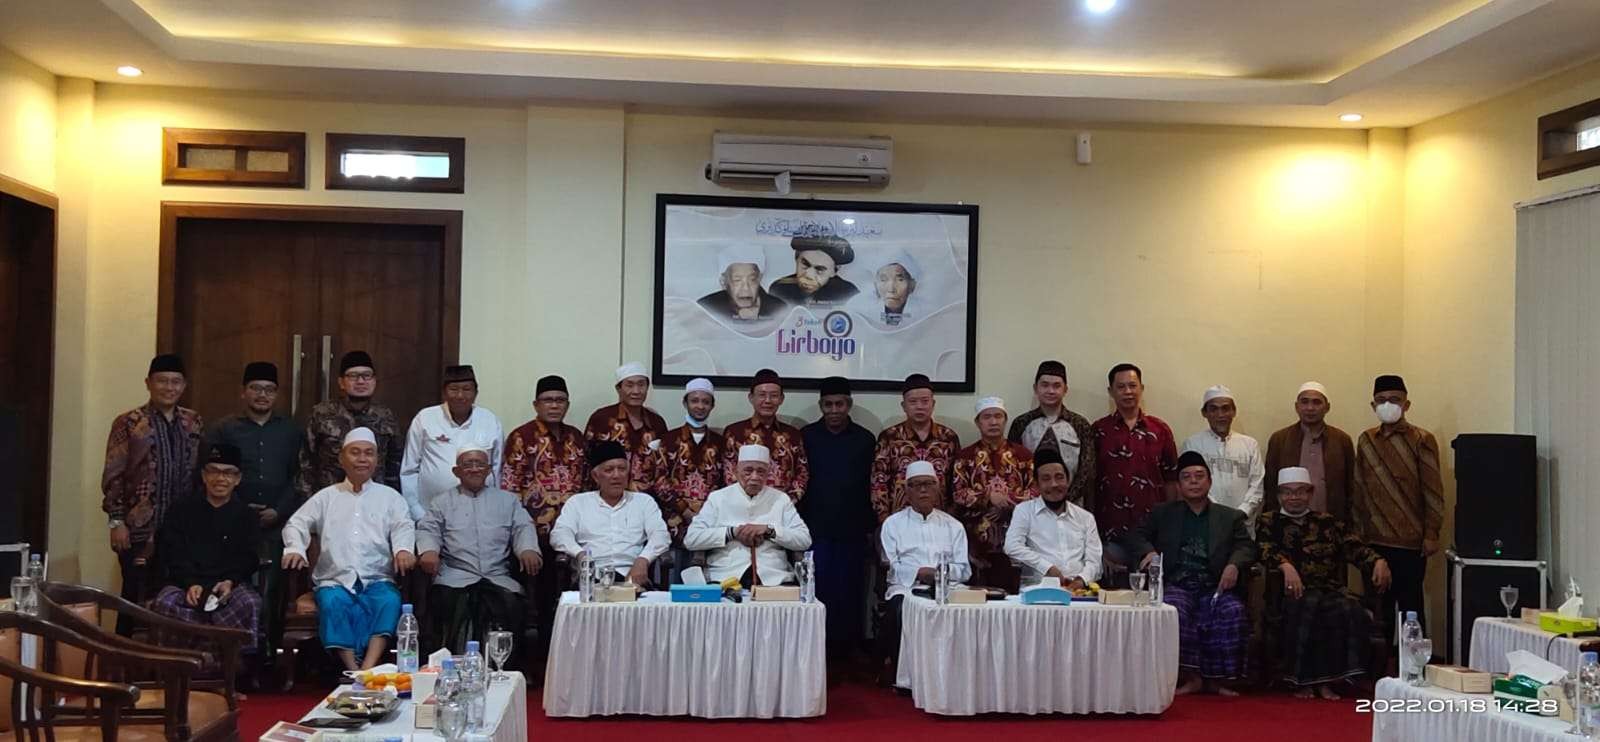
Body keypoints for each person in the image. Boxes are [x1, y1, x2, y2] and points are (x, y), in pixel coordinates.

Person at [1120, 451, 1256, 696]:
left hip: (1214, 585)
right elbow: (1136, 536)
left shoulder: (1229, 516)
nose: (1193, 481)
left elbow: (1245, 546)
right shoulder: (1163, 513)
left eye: (1199, 476)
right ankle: (1189, 677)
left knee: (1231, 610)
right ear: (1179, 485)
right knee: (1173, 609)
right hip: (1177, 583)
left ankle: (1218, 680)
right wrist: (1148, 552)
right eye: (1187, 477)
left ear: (1210, 481)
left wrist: (1234, 564)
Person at [282, 427, 417, 671]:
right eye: (355, 453)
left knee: (389, 600)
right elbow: (297, 523)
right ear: (342, 459)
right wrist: (295, 549)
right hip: (334, 580)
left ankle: (367, 667)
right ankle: (351, 670)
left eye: (369, 453)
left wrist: (403, 550)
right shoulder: (326, 497)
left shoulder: (390, 497)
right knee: (333, 602)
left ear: (376, 460)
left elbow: (403, 526)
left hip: (377, 579)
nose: (362, 459)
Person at [1257, 467, 1392, 700]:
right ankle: (1302, 682)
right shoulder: (1269, 521)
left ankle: (1332, 680)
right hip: (1291, 594)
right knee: (1309, 606)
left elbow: (1355, 547)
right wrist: (1285, 565)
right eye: (1287, 493)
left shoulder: (1327, 522)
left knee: (1348, 609)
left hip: (1329, 591)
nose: (1294, 497)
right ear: (1279, 496)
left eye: (1300, 491)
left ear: (1310, 493)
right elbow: (1263, 549)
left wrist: (1378, 560)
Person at [102, 353, 205, 635]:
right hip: (137, 527)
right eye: (162, 381)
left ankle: (165, 664)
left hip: (181, 528)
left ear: (184, 386)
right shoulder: (129, 422)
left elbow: (199, 476)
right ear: (148, 383)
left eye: (175, 382)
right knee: (133, 597)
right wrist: (116, 521)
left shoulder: (193, 421)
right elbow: (114, 474)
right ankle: (121, 660)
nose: (169, 387)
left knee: (173, 597)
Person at [203, 361, 299, 655]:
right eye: (256, 388)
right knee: (234, 584)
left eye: (269, 390)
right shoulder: (223, 429)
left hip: (276, 523)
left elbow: (299, 476)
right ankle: (235, 657)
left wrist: (278, 511)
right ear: (243, 392)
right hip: (231, 522)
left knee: (273, 592)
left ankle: (267, 655)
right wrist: (240, 509)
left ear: (276, 394)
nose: (262, 395)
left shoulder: (291, 430)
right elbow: (211, 475)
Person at [416, 445, 540, 656]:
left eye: (480, 464)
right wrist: (429, 551)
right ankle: (453, 667)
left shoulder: (507, 501)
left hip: (497, 576)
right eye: (468, 464)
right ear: (456, 471)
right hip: (455, 576)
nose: (474, 469)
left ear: (489, 469)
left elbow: (523, 527)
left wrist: (528, 549)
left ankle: (505, 667)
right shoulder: (441, 502)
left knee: (508, 605)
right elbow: (428, 529)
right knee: (454, 605)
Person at [1351, 374, 1443, 646]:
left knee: (1410, 608)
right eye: (1381, 400)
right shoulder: (1366, 440)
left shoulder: (1421, 439)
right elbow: (1359, 488)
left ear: (1407, 404)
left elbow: (1433, 490)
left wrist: (1431, 533)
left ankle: (1413, 670)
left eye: (1394, 400)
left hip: (1411, 541)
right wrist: (1358, 536)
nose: (1387, 404)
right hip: (1373, 540)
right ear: (1372, 405)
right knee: (1377, 609)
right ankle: (1375, 672)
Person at [150, 443, 264, 652]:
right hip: (185, 584)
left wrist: (230, 581)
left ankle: (232, 668)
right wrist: (189, 582)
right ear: (203, 475)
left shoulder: (246, 516)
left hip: (228, 586)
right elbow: (173, 552)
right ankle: (178, 667)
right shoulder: (181, 509)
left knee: (250, 603)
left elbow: (249, 557)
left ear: (237, 479)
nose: (220, 479)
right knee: (165, 604)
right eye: (214, 471)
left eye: (228, 473)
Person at [798, 376, 877, 661]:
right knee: (818, 589)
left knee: (852, 590)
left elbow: (872, 485)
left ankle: (849, 649)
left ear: (849, 405)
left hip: (853, 529)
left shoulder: (865, 439)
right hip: (816, 528)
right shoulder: (806, 436)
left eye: (839, 404)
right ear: (821, 405)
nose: (834, 410)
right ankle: (818, 649)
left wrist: (870, 528)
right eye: (828, 404)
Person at [875, 461, 971, 685]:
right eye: (916, 485)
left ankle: (957, 677)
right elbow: (892, 567)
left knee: (971, 609)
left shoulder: (953, 526)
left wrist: (939, 574)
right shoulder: (893, 524)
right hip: (907, 587)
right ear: (906, 491)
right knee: (900, 608)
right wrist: (919, 572)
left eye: (928, 484)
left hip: (949, 588)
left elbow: (964, 570)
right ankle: (906, 679)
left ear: (938, 488)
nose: (923, 490)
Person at [685, 444, 813, 586]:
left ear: (768, 473)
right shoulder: (718, 498)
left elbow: (804, 539)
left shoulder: (780, 499)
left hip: (773, 576)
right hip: (725, 574)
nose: (755, 477)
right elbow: (691, 539)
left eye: (761, 472)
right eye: (748, 471)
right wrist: (731, 533)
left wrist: (769, 531)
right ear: (736, 471)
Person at [551, 440, 671, 587]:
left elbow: (661, 536)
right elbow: (559, 534)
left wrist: (643, 560)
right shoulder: (578, 503)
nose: (616, 475)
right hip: (591, 578)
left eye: (622, 469)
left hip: (631, 578)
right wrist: (580, 554)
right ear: (596, 476)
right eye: (609, 470)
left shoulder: (643, 502)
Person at [1092, 363, 1178, 566]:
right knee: (1112, 595)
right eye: (1121, 387)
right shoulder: (1098, 430)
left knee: (1151, 594)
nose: (1128, 392)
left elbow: (1171, 480)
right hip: (1111, 532)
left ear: (1141, 388)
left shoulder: (1160, 429)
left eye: (1132, 385)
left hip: (1153, 535)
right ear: (1110, 392)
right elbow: (1091, 482)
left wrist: (1171, 525)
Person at [950, 396, 1035, 589]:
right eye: (987, 417)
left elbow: (1035, 491)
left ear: (1005, 420)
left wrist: (1008, 500)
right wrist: (987, 498)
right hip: (976, 540)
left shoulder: (1023, 455)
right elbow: (957, 493)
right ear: (978, 422)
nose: (993, 421)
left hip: (1015, 537)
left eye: (998, 416)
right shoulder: (965, 456)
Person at [297, 350, 403, 503]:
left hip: (374, 503)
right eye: (353, 376)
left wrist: (393, 502)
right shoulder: (322, 414)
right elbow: (306, 463)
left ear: (374, 381)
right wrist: (310, 505)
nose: (360, 381)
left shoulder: (385, 416)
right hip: (330, 501)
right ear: (341, 382)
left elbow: (395, 464)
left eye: (366, 376)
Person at [400, 364, 504, 520]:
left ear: (476, 393)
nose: (460, 395)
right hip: (430, 514)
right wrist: (417, 512)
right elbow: (409, 469)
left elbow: (497, 469)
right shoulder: (425, 418)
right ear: (444, 393)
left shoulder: (489, 420)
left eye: (467, 389)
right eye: (454, 389)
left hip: (480, 514)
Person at [652, 378, 726, 574]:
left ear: (712, 405)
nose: (700, 406)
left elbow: (726, 481)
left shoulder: (721, 442)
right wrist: (684, 510)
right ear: (685, 403)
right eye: (694, 401)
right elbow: (659, 479)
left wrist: (705, 512)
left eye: (705, 401)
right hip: (674, 519)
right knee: (672, 584)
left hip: (710, 520)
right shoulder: (668, 439)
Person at [1004, 447, 1102, 589]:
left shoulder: (1085, 518)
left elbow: (1095, 561)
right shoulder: (1024, 511)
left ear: (1068, 481)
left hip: (1080, 593)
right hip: (1037, 589)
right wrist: (1047, 568)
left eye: (1059, 477)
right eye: (1046, 479)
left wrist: (1080, 581)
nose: (1054, 484)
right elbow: (1012, 546)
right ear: (1037, 485)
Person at [870, 373, 962, 523]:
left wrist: (951, 519)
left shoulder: (948, 437)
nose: (919, 406)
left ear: (933, 403)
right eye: (913, 402)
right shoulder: (889, 437)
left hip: (940, 519)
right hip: (898, 520)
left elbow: (956, 481)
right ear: (904, 406)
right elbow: (878, 482)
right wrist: (884, 520)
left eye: (925, 401)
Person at [1007, 360, 1096, 509]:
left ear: (1065, 389)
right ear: (1036, 388)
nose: (1050, 391)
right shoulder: (1021, 423)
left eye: (1057, 386)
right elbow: (1013, 468)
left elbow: (1087, 471)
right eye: (1045, 385)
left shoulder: (1080, 424)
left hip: (1072, 506)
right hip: (1031, 507)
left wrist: (1062, 499)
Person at [1263, 381, 1356, 521]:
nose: (1310, 408)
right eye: (1304, 402)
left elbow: (1351, 486)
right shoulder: (1280, 439)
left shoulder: (1342, 440)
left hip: (1332, 521)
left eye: (1317, 402)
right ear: (1296, 406)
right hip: (1287, 522)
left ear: (1327, 407)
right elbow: (1270, 486)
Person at [1180, 385, 1265, 531]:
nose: (1220, 414)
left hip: (1243, 523)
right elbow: (1191, 484)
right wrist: (1218, 513)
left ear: (1234, 411)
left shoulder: (1249, 444)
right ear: (1204, 413)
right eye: (1213, 409)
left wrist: (1243, 512)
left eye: (1226, 408)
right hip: (1206, 521)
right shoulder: (1192, 444)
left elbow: (1257, 484)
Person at [720, 368, 809, 502]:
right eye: (762, 395)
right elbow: (729, 472)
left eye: (773, 395)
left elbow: (802, 473)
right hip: (744, 509)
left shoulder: (793, 434)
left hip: (783, 511)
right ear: (751, 398)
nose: (768, 401)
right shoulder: (734, 432)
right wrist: (751, 502)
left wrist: (787, 503)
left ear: (781, 399)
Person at [583, 362, 668, 492]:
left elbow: (663, 466)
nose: (636, 391)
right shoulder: (602, 419)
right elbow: (587, 461)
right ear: (618, 389)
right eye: (629, 385)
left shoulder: (656, 422)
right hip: (607, 497)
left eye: (641, 385)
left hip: (646, 499)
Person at [697, 244, 789, 321]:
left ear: (759, 279)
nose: (746, 288)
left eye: (752, 279)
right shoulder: (706, 308)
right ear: (723, 282)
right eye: (737, 280)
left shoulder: (779, 309)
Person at [767, 235, 860, 307]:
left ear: (834, 271)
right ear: (796, 259)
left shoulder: (848, 293)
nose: (809, 275)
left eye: (819, 270)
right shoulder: (779, 289)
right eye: (805, 264)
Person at [859, 250, 921, 326]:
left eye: (900, 280)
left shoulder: (923, 314)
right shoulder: (862, 313)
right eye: (883, 280)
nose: (891, 289)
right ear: (875, 285)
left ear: (912, 285)